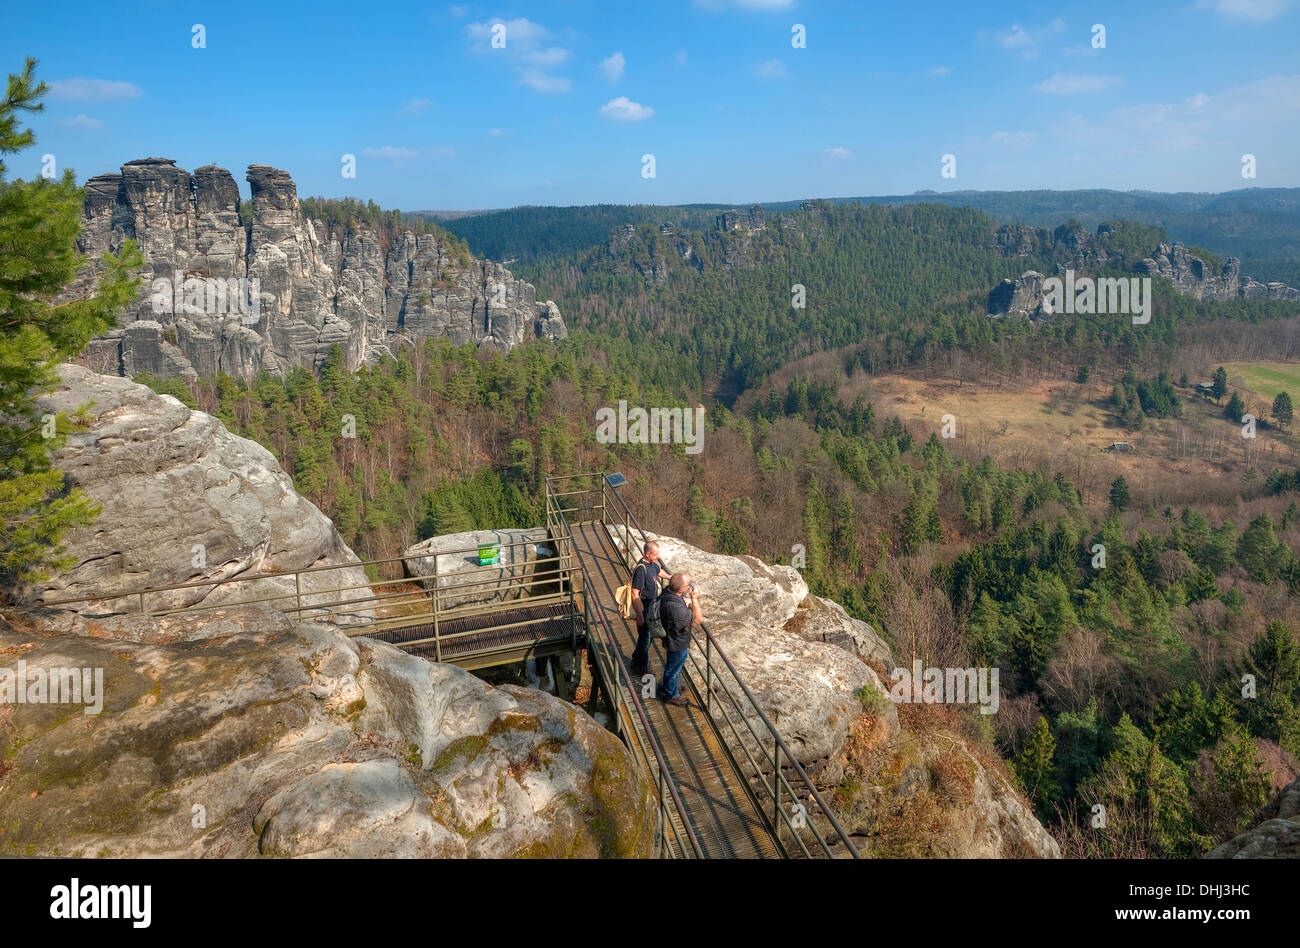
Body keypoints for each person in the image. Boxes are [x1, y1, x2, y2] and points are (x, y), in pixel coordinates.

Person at [657, 572, 703, 707]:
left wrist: (684, 601)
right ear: (682, 589)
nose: (690, 586)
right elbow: (699, 619)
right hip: (677, 643)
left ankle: (669, 687)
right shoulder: (677, 609)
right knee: (672, 670)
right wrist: (694, 599)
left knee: (672, 668)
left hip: (670, 638)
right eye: (689, 585)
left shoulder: (667, 592)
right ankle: (671, 695)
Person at [629, 540, 664, 676]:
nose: (658, 556)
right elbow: (635, 593)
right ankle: (641, 668)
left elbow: (659, 572)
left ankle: (636, 660)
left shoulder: (652, 564)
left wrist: (671, 577)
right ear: (647, 554)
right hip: (644, 608)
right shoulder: (640, 569)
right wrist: (640, 614)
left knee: (647, 637)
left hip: (652, 606)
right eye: (655, 554)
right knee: (645, 637)